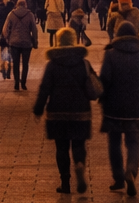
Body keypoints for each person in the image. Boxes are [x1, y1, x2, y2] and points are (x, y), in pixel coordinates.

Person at [33, 26, 96, 194]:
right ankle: (80, 164)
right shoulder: (83, 63)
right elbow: (94, 84)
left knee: (61, 148)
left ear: (59, 42)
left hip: (57, 111)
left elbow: (44, 88)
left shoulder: (52, 64)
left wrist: (38, 109)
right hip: (80, 111)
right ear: (74, 41)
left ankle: (65, 182)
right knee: (78, 143)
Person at [99, 21, 139, 196]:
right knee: (133, 142)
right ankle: (131, 171)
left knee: (114, 143)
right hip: (136, 107)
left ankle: (118, 178)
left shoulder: (111, 55)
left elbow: (104, 79)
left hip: (114, 107)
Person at [2, 0, 39, 91]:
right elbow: (34, 29)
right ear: (25, 4)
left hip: (14, 42)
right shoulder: (30, 14)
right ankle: (23, 83)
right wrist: (35, 40)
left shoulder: (11, 14)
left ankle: (16, 83)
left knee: (16, 63)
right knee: (25, 64)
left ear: (17, 5)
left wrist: (7, 38)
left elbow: (5, 28)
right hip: (27, 42)